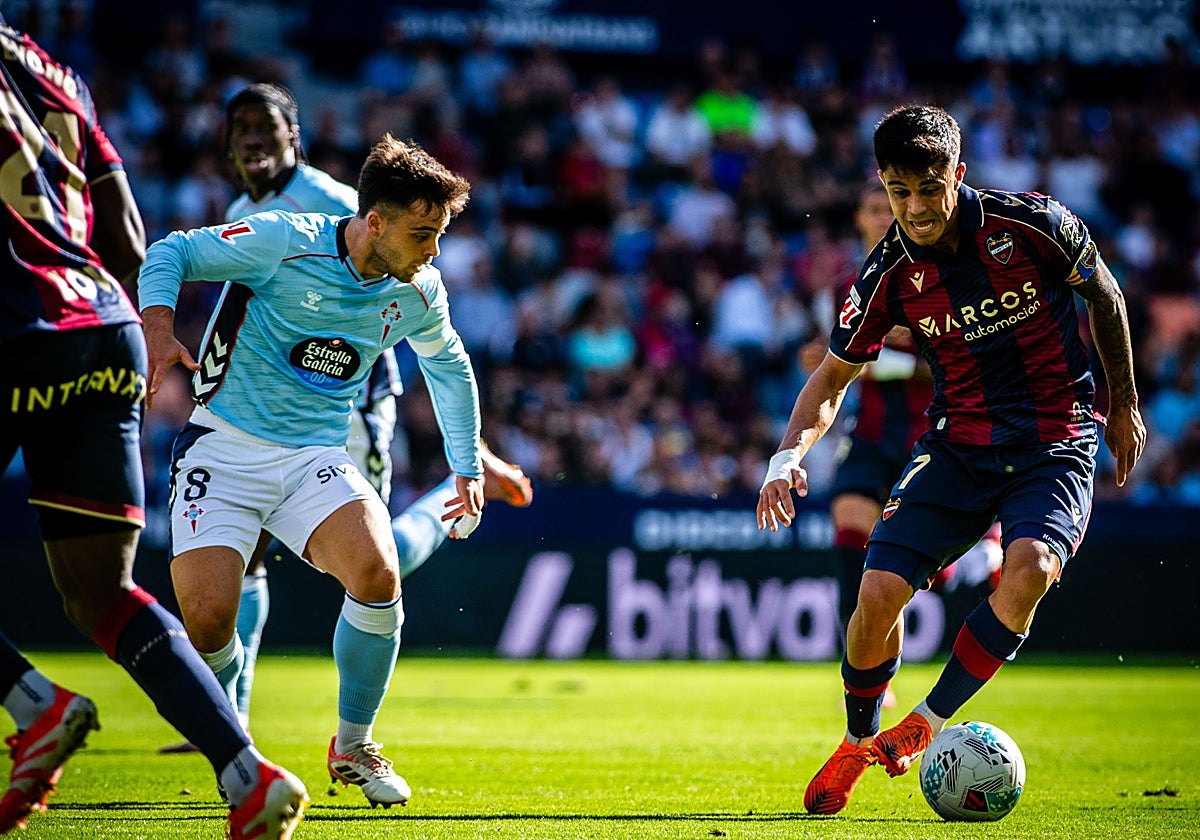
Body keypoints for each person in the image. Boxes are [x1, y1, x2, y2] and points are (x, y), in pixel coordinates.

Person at [757, 105, 1145, 815]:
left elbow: (1106, 295)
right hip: (958, 444)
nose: (914, 208)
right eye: (897, 191)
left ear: (958, 174)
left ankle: (926, 722)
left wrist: (1123, 403)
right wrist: (785, 458)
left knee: (1033, 567)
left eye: (928, 189)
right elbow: (831, 379)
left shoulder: (1034, 223)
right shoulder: (887, 273)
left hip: (1056, 439)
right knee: (877, 593)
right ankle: (857, 741)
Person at [0, 17, 306, 839]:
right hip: (103, 328)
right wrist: (139, 337)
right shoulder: (52, 72)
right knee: (101, 593)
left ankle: (33, 704)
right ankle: (247, 773)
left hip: (11, 324)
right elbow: (126, 232)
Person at [159, 83, 532, 755]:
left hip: (350, 405)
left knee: (379, 564)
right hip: (245, 420)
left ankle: (446, 496)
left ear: (294, 139)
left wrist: (465, 455)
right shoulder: (256, 218)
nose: (253, 140)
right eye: (240, 129)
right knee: (237, 571)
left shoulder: (337, 203)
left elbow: (436, 355)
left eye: (267, 128)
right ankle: (230, 716)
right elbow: (186, 260)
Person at [800, 183, 1003, 709]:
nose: (881, 217)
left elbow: (950, 364)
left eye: (886, 208)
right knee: (850, 531)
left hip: (932, 432)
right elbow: (840, 364)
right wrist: (830, 363)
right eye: (872, 209)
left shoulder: (940, 276)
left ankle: (967, 563)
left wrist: (875, 363)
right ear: (859, 217)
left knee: (913, 558)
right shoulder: (846, 287)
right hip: (870, 432)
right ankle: (870, 676)